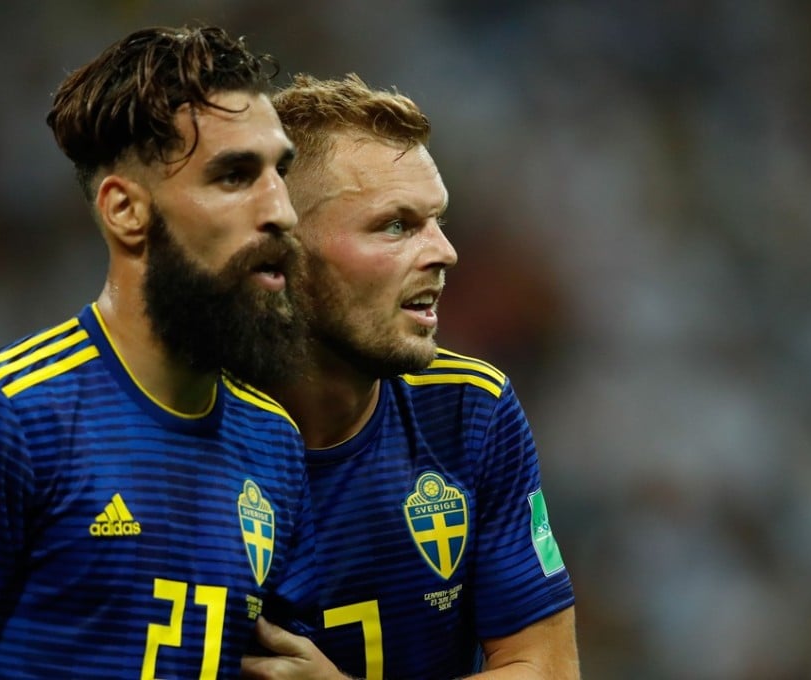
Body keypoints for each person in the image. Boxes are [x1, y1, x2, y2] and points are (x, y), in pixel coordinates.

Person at [0, 25, 318, 679]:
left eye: (280, 173)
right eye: (235, 176)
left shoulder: (274, 443)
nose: (281, 211)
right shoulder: (1, 419)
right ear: (125, 210)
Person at [241, 74, 579, 679]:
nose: (445, 252)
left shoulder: (469, 412)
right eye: (395, 225)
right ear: (281, 251)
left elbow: (547, 667)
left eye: (436, 220)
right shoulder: (174, 427)